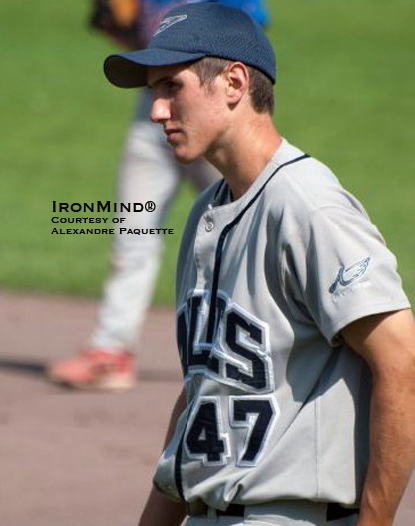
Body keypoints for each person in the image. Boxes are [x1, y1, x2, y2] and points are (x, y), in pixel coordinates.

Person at [104, 3, 415, 526]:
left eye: (170, 87)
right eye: (152, 91)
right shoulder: (208, 211)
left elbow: (402, 361)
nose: (156, 110)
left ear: (233, 82)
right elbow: (206, 389)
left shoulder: (308, 206)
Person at [47, 0, 270, 391]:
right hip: (155, 102)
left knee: (251, 223)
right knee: (133, 230)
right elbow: (135, 42)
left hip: (209, 108)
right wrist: (116, 26)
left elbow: (248, 36)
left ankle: (271, 345)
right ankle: (111, 350)